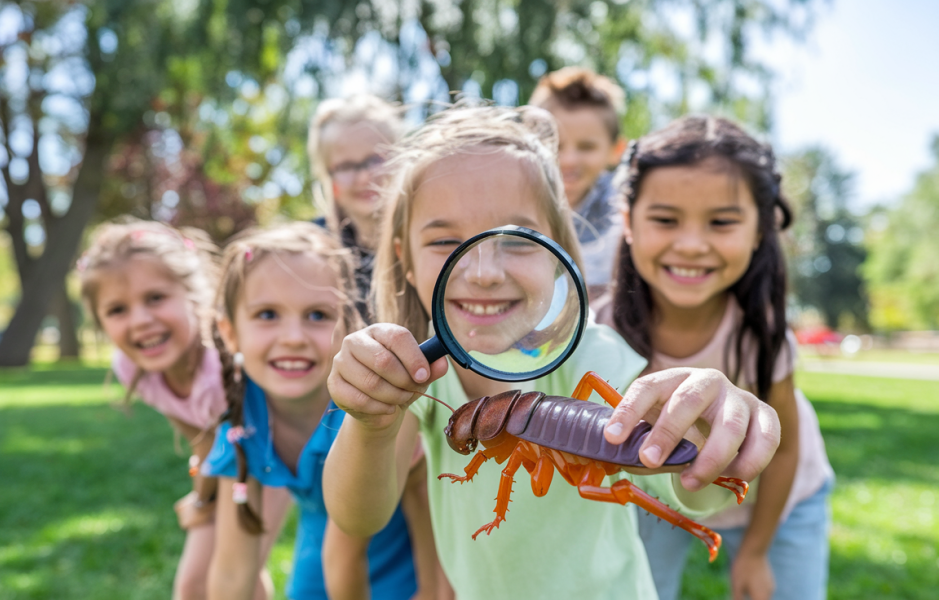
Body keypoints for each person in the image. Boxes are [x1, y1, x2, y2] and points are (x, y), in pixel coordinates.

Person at [322, 103, 783, 599]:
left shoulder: (593, 356)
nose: (483, 272)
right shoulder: (420, 382)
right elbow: (359, 516)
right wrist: (371, 424)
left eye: (518, 241)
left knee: (615, 481)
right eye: (446, 241)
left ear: (558, 253)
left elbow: (687, 482)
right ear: (405, 262)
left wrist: (710, 426)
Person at [599, 115, 834, 600]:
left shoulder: (763, 335)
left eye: (721, 222)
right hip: (658, 490)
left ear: (760, 230)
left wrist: (755, 551)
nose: (690, 244)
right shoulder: (604, 334)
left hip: (782, 499)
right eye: (665, 219)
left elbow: (784, 450)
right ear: (627, 221)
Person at [203, 223, 444, 600]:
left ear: (349, 323)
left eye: (317, 315)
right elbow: (232, 572)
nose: (294, 337)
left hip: (407, 570)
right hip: (317, 562)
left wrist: (434, 589)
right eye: (267, 314)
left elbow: (416, 493)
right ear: (229, 331)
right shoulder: (242, 423)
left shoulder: (373, 400)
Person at [78, 218, 290, 600]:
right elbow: (202, 442)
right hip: (224, 464)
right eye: (117, 310)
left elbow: (238, 447)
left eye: (156, 298)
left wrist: (204, 501)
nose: (141, 320)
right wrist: (202, 500)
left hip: (267, 460)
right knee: (193, 587)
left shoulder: (224, 364)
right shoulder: (131, 367)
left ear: (194, 294)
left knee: (232, 578)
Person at [529, 66, 628, 299]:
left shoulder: (624, 217)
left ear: (616, 150)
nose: (569, 160)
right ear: (527, 144)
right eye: (555, 144)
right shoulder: (508, 208)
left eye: (587, 147)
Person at [308, 94, 407, 321]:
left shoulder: (431, 241)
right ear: (330, 178)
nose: (363, 177)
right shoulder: (312, 253)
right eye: (346, 166)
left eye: (376, 160)